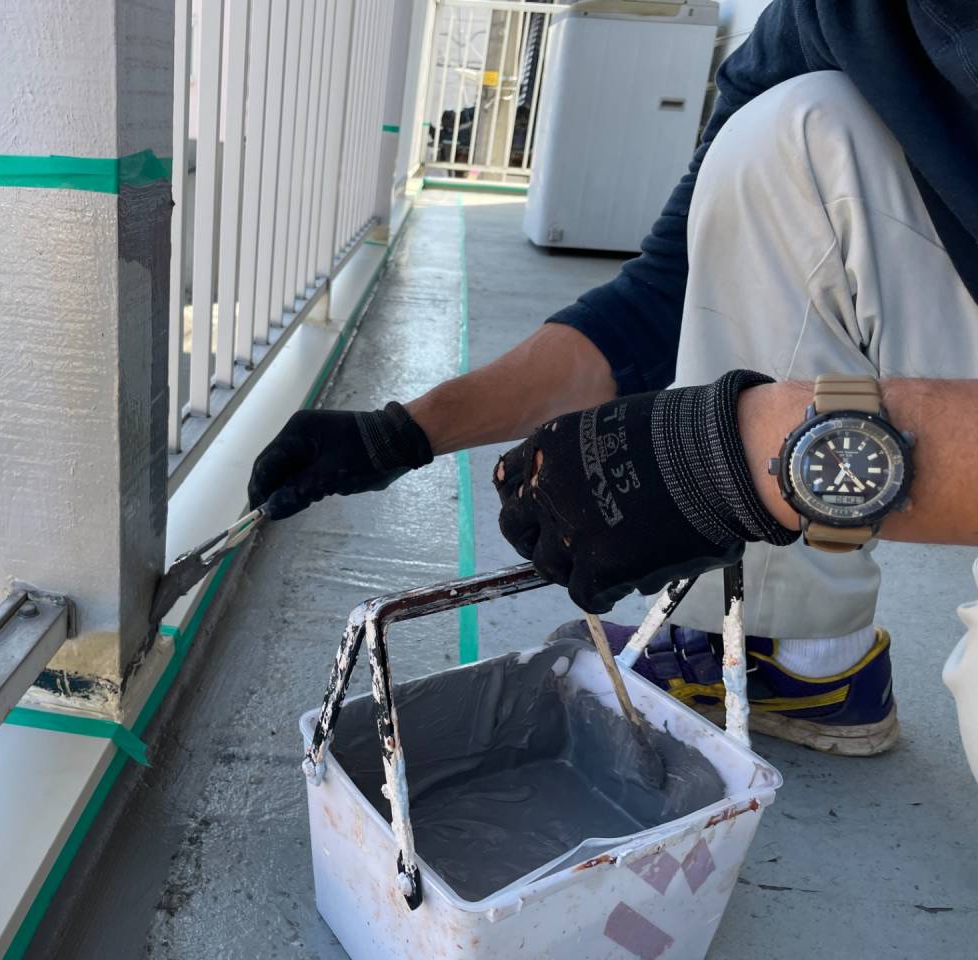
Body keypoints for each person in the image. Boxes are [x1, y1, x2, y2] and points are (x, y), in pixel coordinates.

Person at [247, 0, 978, 757]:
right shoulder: (825, 21)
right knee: (784, 131)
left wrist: (735, 460)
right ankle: (794, 653)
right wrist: (403, 432)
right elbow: (657, 302)